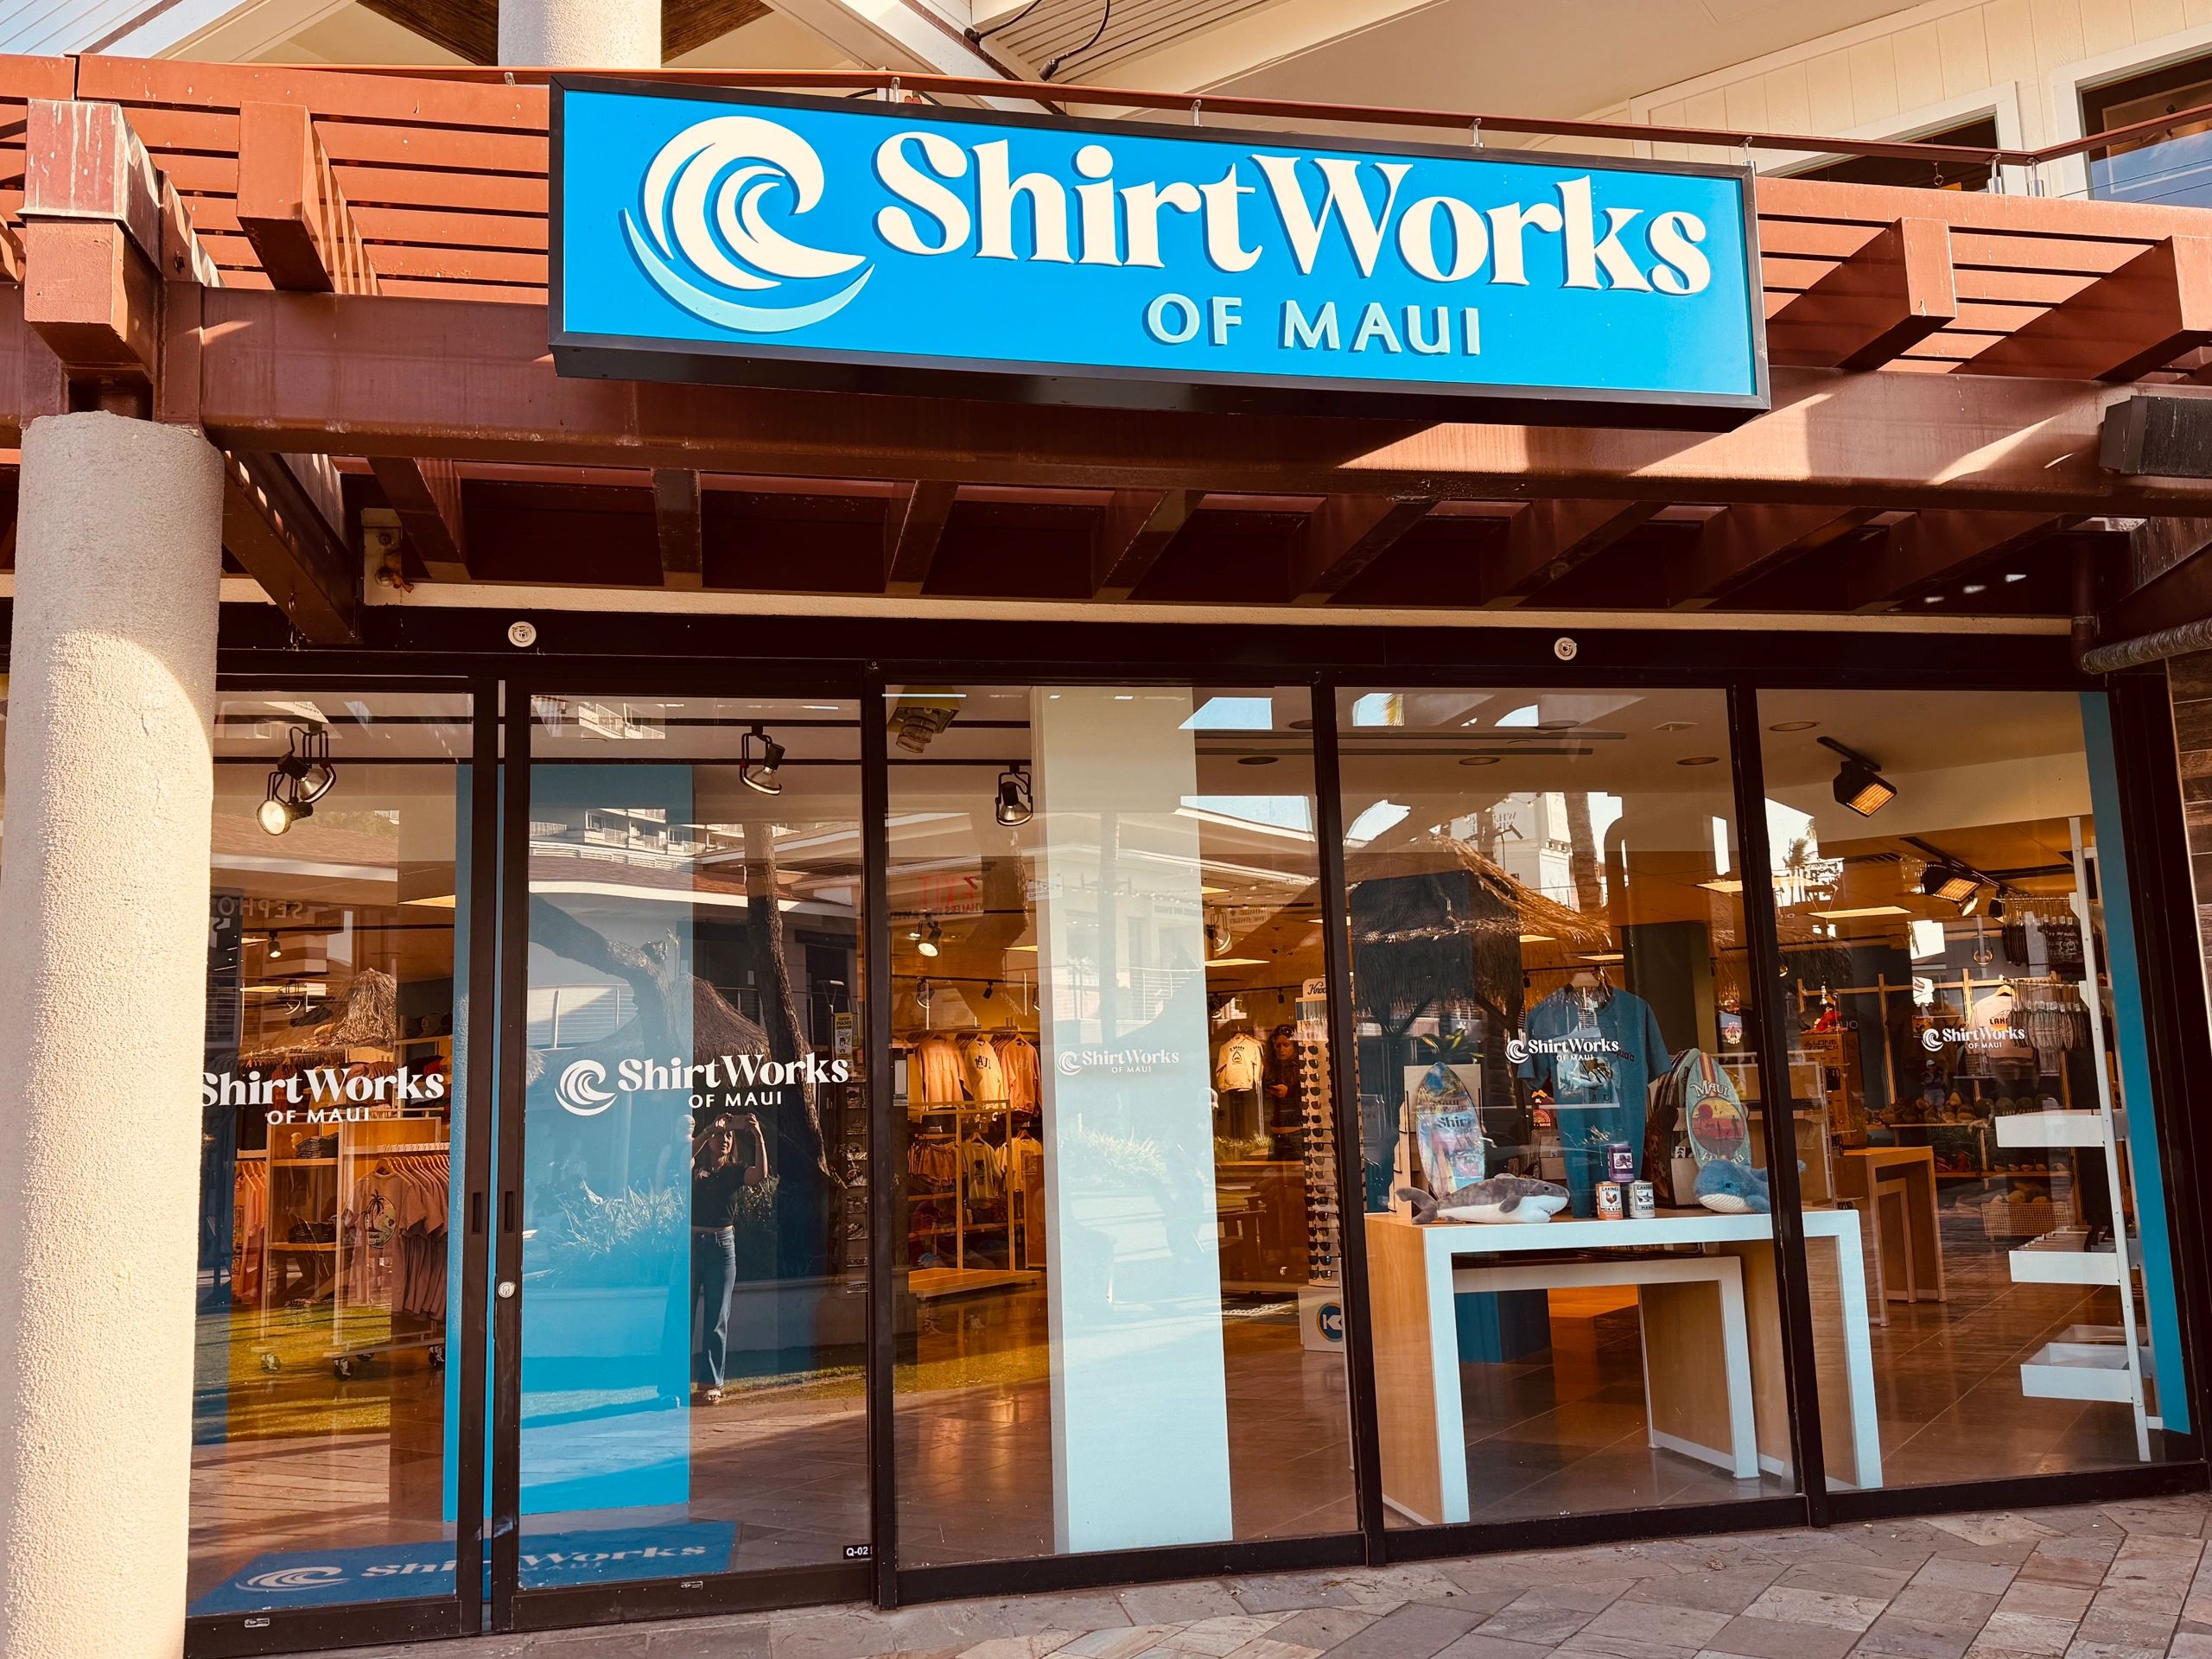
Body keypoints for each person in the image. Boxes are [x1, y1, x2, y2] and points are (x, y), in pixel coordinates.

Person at [691, 1111, 768, 1406]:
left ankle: (710, 1385)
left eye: (728, 1136)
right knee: (681, 1317)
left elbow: (759, 1174)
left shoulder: (735, 1171)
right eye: (720, 1136)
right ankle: (672, 1384)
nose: (724, 1140)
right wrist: (708, 1130)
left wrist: (758, 1136)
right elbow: (679, 1162)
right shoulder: (694, 1167)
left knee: (717, 1317)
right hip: (690, 1244)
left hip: (721, 1246)